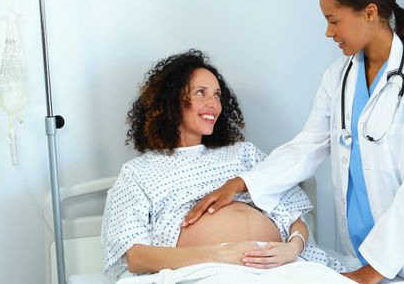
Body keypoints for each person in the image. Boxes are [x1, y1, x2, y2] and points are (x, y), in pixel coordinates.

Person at [184, 0, 404, 284]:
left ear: (370, 13)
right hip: (360, 252)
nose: (328, 32)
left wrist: (371, 271)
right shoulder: (338, 78)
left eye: (334, 21)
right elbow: (308, 147)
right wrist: (242, 184)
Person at [100, 49, 344, 279]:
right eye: (200, 93)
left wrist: (292, 249)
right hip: (205, 271)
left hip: (282, 267)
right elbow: (135, 257)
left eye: (217, 95)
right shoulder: (138, 173)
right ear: (172, 101)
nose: (214, 104)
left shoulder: (245, 154)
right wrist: (218, 254)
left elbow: (294, 216)